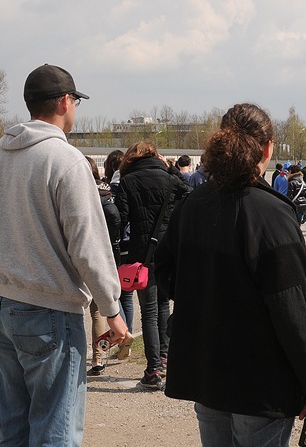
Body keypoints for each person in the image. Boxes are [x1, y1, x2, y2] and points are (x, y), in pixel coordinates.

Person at [154, 103, 306, 446]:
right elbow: (294, 312)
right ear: (268, 148)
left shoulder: (193, 206)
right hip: (259, 382)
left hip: (209, 371)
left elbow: (164, 269)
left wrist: (204, 293)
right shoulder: (272, 216)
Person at [0, 64, 127, 445]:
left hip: (7, 303)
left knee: (12, 428)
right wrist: (112, 309)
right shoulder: (66, 160)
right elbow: (88, 245)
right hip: (51, 310)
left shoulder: (4, 156)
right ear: (66, 102)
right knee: (56, 430)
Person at [115, 141, 191, 389]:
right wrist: (172, 171)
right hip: (169, 251)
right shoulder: (169, 178)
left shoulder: (128, 181)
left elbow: (122, 219)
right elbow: (189, 195)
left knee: (148, 311)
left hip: (142, 253)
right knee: (162, 306)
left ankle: (153, 368)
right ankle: (165, 357)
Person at [86, 156, 134, 374]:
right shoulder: (108, 193)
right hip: (107, 256)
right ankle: (99, 357)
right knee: (101, 308)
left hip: (83, 256)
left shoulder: (83, 194)